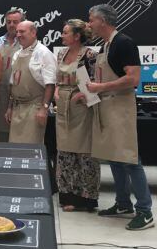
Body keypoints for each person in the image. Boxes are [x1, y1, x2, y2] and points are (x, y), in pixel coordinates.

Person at [87, 4, 154, 230]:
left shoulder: (124, 43)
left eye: (91, 19)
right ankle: (123, 203)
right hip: (107, 106)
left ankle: (145, 211)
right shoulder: (106, 45)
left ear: (103, 21)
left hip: (121, 107)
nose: (89, 24)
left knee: (129, 159)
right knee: (114, 158)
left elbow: (133, 79)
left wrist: (101, 86)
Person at [55, 19, 99, 212]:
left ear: (77, 35)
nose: (62, 35)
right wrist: (57, 92)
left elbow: (96, 80)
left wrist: (84, 95)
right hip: (63, 106)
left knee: (83, 152)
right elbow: (57, 79)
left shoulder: (89, 55)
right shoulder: (61, 53)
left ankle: (86, 198)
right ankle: (67, 194)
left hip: (81, 108)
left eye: (65, 32)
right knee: (64, 151)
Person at [5, 21, 55, 144]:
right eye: (17, 32)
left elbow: (50, 84)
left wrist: (44, 109)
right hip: (17, 109)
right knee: (15, 151)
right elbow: (13, 84)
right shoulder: (17, 54)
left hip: (35, 109)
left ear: (33, 33)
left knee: (31, 151)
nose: (18, 34)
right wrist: (10, 107)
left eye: (22, 31)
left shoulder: (44, 53)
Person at [0, 8, 24, 141]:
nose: (11, 25)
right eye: (9, 22)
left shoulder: (26, 43)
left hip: (19, 94)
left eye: (15, 22)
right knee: (0, 130)